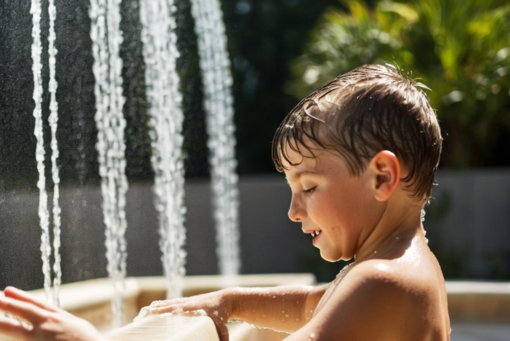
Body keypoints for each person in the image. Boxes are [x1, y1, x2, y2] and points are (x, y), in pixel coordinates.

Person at [0, 64, 450, 341]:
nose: (294, 210)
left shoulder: (385, 279)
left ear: (382, 176)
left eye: (309, 187)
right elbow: (312, 304)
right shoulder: (401, 267)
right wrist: (229, 301)